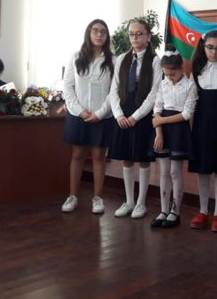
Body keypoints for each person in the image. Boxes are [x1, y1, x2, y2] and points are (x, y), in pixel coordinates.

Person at [108, 19, 162, 219]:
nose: (135, 37)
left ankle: (141, 203)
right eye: (131, 33)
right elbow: (114, 89)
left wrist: (136, 116)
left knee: (142, 159)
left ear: (148, 36)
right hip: (123, 114)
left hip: (142, 114)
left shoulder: (155, 61)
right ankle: (129, 201)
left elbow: (155, 93)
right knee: (127, 158)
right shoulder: (122, 58)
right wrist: (118, 114)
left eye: (140, 33)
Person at [61, 19, 115, 215]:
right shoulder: (76, 57)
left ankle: (97, 198)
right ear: (89, 33)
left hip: (103, 116)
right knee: (77, 155)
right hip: (78, 114)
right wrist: (80, 111)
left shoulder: (113, 60)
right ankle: (73, 196)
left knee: (99, 156)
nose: (99, 34)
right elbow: (68, 86)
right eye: (95, 31)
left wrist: (100, 113)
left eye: (103, 32)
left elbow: (115, 91)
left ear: (107, 36)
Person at [188, 31, 217, 232]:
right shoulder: (197, 69)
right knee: (203, 169)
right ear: (203, 46)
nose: (214, 52)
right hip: (202, 124)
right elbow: (192, 99)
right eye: (210, 47)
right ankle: (202, 210)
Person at [150, 45, 198, 228]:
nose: (169, 77)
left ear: (181, 68)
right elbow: (157, 109)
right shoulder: (163, 84)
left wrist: (161, 121)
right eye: (166, 74)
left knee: (174, 172)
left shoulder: (190, 86)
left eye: (173, 74)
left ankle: (175, 211)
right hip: (163, 131)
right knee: (163, 172)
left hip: (179, 130)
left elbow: (186, 114)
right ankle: (163, 210)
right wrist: (159, 133)